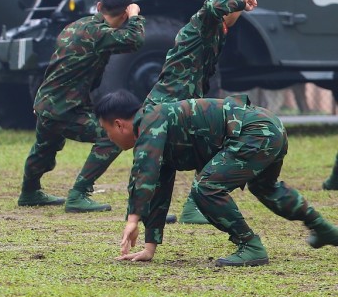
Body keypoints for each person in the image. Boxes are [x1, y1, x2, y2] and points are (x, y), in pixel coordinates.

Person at [98, 90, 338, 266]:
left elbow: (145, 171)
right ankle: (324, 229)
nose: (109, 139)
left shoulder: (150, 123)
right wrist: (149, 247)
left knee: (206, 187)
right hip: (266, 127)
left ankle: (250, 245)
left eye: (107, 131)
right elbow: (159, 184)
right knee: (266, 188)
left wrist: (132, 219)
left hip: (254, 131)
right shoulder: (155, 123)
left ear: (119, 124)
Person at [143, 0, 258, 224]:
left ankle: (182, 208)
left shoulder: (219, 30)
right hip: (172, 98)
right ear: (232, 6)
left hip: (184, 97)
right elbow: (210, 7)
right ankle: (185, 208)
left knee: (188, 148)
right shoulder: (207, 20)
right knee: (191, 146)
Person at [19, 0, 144, 210]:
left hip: (48, 102)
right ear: (124, 13)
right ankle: (78, 194)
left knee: (45, 147)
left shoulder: (78, 25)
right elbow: (134, 40)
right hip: (64, 107)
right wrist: (135, 16)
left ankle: (29, 192)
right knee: (112, 137)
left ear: (98, 6)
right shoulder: (100, 33)